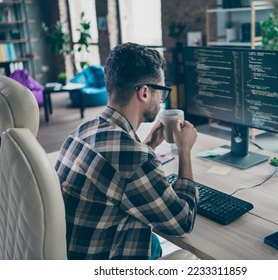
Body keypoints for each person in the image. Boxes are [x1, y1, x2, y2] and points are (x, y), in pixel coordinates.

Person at [55, 42, 199, 260]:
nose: (161, 100)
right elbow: (182, 222)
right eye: (161, 92)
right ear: (144, 93)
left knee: (151, 242)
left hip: (74, 253)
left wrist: (148, 144)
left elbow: (117, 176)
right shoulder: (136, 159)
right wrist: (184, 151)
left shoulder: (82, 131)